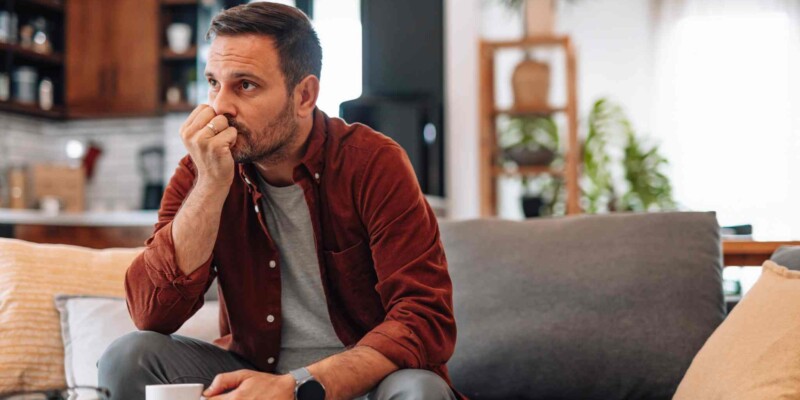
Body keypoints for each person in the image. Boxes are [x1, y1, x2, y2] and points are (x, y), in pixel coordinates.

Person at [97, 2, 460, 399]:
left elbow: (424, 318)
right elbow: (152, 314)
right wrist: (209, 188)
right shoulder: (203, 168)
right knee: (128, 357)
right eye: (214, 83)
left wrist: (297, 385)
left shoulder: (373, 163)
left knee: (421, 391)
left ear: (304, 95)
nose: (219, 107)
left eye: (245, 85)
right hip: (251, 371)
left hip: (363, 381)